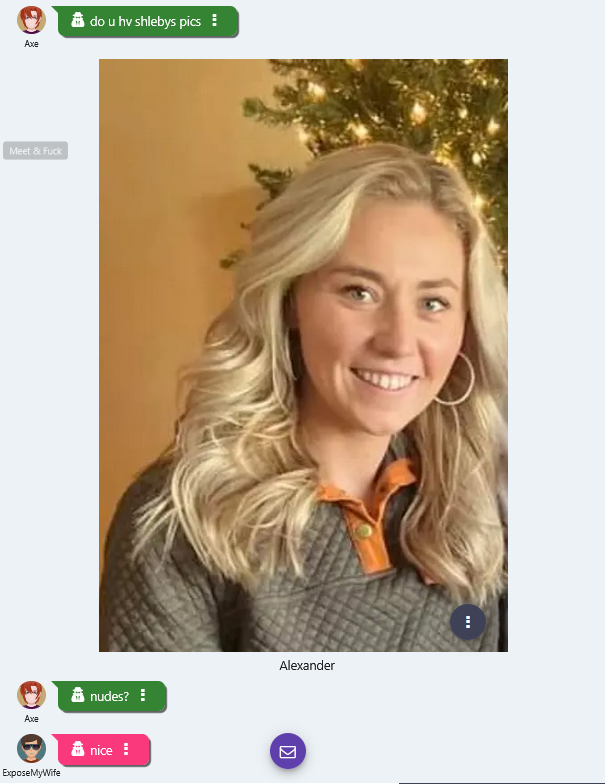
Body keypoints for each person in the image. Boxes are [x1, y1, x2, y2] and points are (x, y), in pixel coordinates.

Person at [100, 143, 508, 652]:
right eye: (359, 292)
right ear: (291, 299)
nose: (399, 342)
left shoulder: (466, 492)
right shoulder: (180, 520)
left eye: (433, 302)